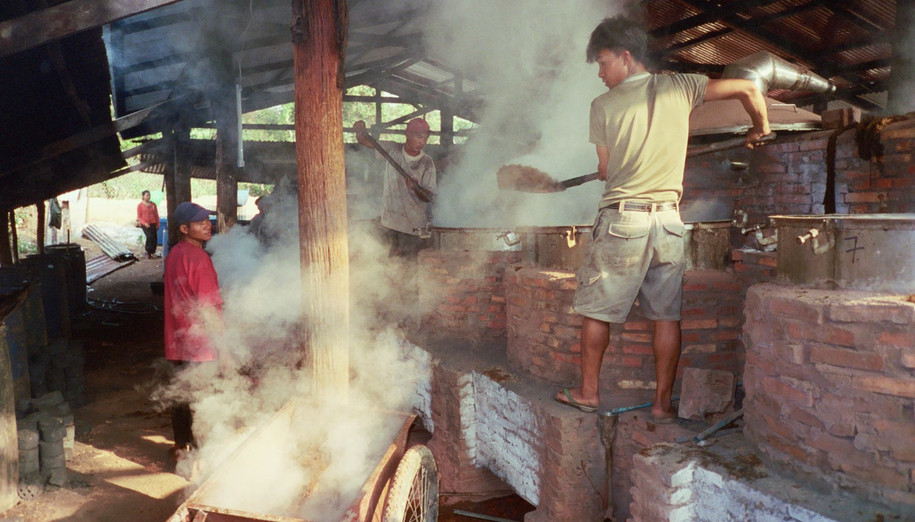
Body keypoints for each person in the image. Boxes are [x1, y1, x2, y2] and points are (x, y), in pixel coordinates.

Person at [553, 16, 770, 421]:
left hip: (623, 222)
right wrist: (761, 127)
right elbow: (747, 86)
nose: (600, 74)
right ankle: (660, 404)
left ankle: (587, 393)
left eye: (602, 63)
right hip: (669, 224)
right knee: (666, 316)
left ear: (626, 56)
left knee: (596, 311)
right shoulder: (683, 85)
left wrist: (613, 165)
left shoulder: (602, 106)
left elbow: (605, 168)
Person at [163, 201, 225, 460]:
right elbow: (208, 309)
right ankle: (203, 460)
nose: (207, 226)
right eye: (200, 223)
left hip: (178, 340)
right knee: (204, 402)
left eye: (207, 221)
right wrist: (225, 348)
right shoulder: (200, 259)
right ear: (184, 228)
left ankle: (180, 449)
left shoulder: (174, 254)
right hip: (201, 345)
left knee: (182, 395)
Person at [352, 117, 437, 258]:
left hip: (412, 227)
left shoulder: (427, 162)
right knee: (386, 267)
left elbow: (428, 197)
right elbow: (364, 141)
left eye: (425, 138)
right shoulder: (392, 148)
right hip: (389, 223)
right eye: (419, 137)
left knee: (407, 269)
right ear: (407, 134)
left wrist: (415, 188)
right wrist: (360, 131)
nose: (422, 142)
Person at [136, 190, 160, 259]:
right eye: (147, 195)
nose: (148, 197)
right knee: (149, 237)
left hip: (153, 223)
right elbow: (139, 217)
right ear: (143, 196)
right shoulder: (140, 206)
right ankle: (148, 252)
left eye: (149, 195)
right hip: (145, 224)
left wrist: (158, 223)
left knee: (154, 238)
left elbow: (156, 215)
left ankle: (152, 252)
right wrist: (144, 223)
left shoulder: (153, 205)